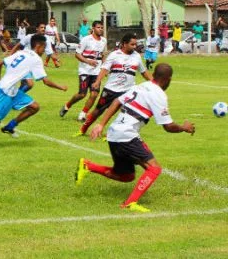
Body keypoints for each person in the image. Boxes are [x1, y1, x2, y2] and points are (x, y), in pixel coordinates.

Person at [74, 63, 195, 213]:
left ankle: (88, 166)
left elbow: (117, 101)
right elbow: (168, 126)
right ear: (167, 79)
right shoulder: (158, 95)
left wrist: (101, 124)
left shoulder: (141, 86)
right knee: (154, 169)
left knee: (126, 176)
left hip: (114, 134)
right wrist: (184, 128)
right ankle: (130, 202)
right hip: (127, 136)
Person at [0, 34, 67, 149]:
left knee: (34, 107)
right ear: (39, 45)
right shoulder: (36, 59)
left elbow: (0, 63)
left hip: (10, 89)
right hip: (5, 92)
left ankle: (10, 126)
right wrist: (61, 87)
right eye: (44, 47)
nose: (44, 51)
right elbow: (46, 81)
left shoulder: (21, 53)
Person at [76, 33, 153, 136]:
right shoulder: (114, 55)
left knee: (126, 113)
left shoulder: (137, 56)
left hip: (128, 91)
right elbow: (104, 69)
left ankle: (113, 134)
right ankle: (83, 129)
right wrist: (98, 81)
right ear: (124, 44)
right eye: (132, 44)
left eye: (135, 44)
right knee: (98, 110)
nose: (135, 47)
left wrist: (154, 83)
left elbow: (144, 72)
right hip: (111, 89)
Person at [60, 21, 107, 120]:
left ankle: (83, 114)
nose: (101, 29)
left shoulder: (103, 40)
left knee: (94, 94)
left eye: (102, 27)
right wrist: (88, 61)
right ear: (93, 28)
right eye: (98, 27)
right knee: (82, 94)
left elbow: (102, 55)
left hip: (97, 72)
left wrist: (104, 67)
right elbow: (77, 54)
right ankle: (67, 105)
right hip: (85, 71)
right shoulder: (86, 39)